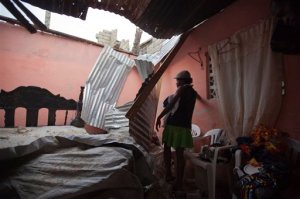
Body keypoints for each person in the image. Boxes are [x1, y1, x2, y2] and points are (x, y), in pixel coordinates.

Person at [155, 70, 202, 191]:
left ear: (181, 81)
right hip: (185, 126)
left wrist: (160, 116)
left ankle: (169, 175)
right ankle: (179, 182)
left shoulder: (181, 89)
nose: (176, 83)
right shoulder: (193, 92)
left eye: (177, 80)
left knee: (166, 148)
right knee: (180, 155)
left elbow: (170, 106)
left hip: (173, 124)